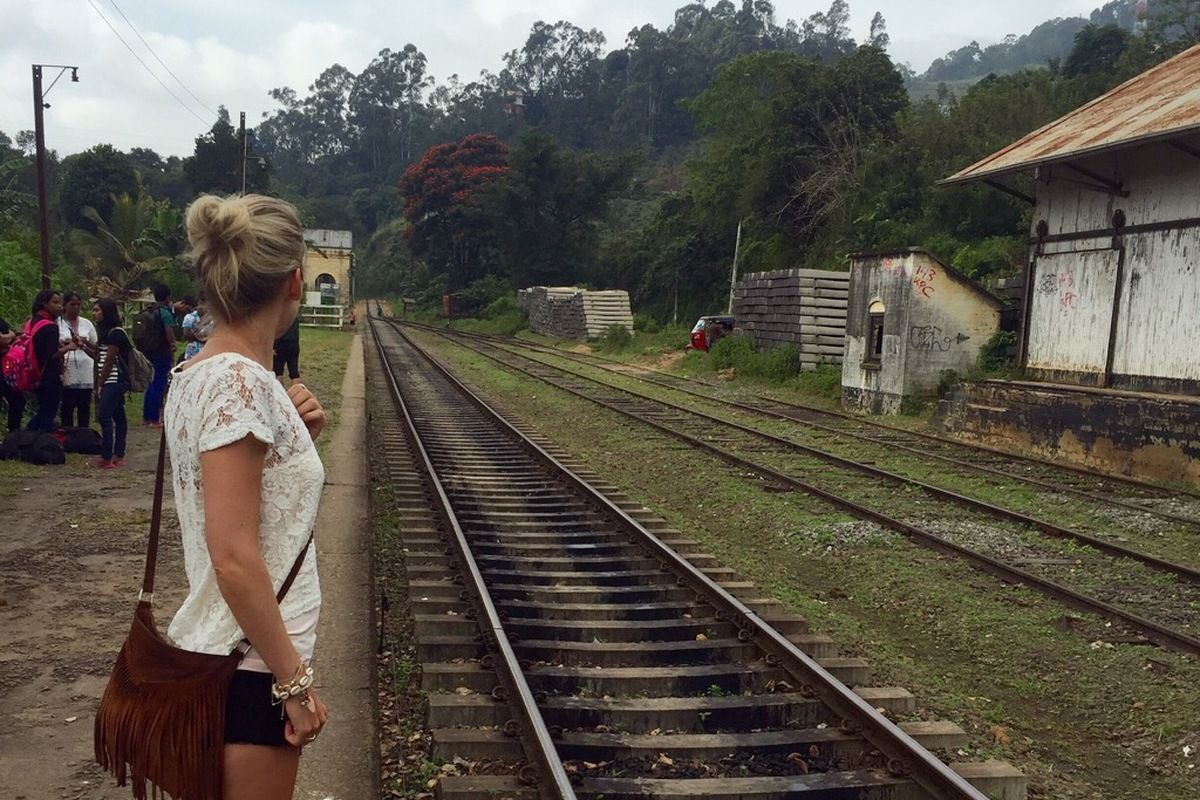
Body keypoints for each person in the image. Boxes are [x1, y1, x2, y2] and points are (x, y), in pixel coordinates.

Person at [167, 193, 328, 800]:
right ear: (294, 281)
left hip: (230, 649)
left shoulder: (198, 372)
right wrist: (293, 681)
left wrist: (292, 440)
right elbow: (233, 553)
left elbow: (240, 502)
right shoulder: (242, 382)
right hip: (251, 660)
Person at [26, 290, 73, 433]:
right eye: (55, 302)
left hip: (33, 372)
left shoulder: (31, 322)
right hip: (48, 375)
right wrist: (69, 348)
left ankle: (28, 436)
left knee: (42, 409)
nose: (59, 306)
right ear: (45, 304)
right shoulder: (50, 327)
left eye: (60, 303)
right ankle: (36, 438)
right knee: (48, 411)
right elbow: (52, 355)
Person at [93, 298, 130, 469]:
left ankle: (107, 456)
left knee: (104, 415)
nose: (94, 314)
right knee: (118, 417)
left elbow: (109, 360)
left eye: (97, 310)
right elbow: (100, 356)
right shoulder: (105, 333)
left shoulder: (116, 333)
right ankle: (119, 454)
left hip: (114, 380)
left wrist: (100, 383)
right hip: (110, 379)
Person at [58, 291, 98, 428]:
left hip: (85, 371)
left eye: (78, 305)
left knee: (84, 406)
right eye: (72, 304)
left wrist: (84, 343)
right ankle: (67, 433)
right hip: (67, 370)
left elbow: (96, 346)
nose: (75, 307)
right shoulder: (58, 323)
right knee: (67, 406)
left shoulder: (87, 324)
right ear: (65, 306)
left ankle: (83, 434)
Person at [141, 283, 176, 427]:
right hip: (162, 351)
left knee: (150, 383)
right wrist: (172, 345)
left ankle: (146, 417)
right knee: (159, 384)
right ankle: (155, 419)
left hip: (149, 351)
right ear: (167, 297)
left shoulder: (148, 311)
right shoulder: (165, 313)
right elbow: (169, 332)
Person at [0, 316, 26, 431]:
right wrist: (11, 336)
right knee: (17, 399)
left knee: (18, 400)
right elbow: (3, 339)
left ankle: (13, 434)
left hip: (4, 364)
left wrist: (12, 335)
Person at [272, 315, 301, 384]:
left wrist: (273, 346)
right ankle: (296, 391)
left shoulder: (279, 316)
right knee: (294, 372)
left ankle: (279, 393)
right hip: (293, 344)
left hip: (280, 344)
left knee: (278, 371)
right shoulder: (293, 316)